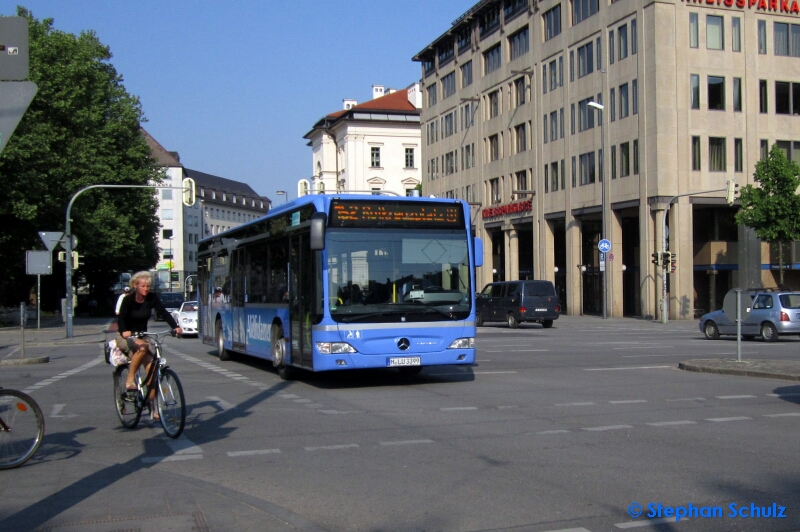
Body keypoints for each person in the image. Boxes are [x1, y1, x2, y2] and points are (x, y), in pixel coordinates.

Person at [116, 271, 182, 420]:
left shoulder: (151, 298)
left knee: (152, 371)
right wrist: (124, 331)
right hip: (125, 335)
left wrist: (175, 326)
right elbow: (121, 319)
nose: (146, 289)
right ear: (135, 286)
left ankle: (153, 406)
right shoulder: (129, 300)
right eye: (143, 286)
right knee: (143, 348)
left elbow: (163, 312)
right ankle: (130, 379)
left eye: (148, 286)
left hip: (142, 335)